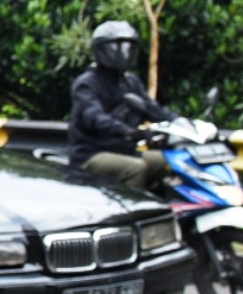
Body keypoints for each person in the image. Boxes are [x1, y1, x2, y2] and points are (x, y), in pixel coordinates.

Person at [68, 19, 176, 191]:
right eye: (116, 47)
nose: (124, 53)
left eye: (128, 47)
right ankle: (131, 206)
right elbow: (96, 118)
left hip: (125, 150)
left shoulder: (130, 81)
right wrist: (128, 132)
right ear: (101, 50)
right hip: (92, 153)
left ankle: (161, 202)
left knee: (168, 161)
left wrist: (180, 123)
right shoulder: (87, 84)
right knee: (135, 168)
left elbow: (152, 108)